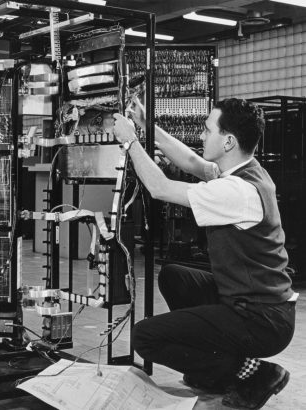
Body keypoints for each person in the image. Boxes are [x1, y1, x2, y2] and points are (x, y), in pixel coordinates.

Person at [113, 97, 296, 410]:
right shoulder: (245, 172)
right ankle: (215, 368)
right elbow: (191, 163)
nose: (201, 136)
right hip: (253, 303)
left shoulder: (236, 191)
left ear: (228, 141)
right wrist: (146, 125)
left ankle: (254, 373)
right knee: (174, 276)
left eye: (207, 130)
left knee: (145, 337)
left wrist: (130, 141)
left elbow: (160, 188)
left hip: (261, 318)